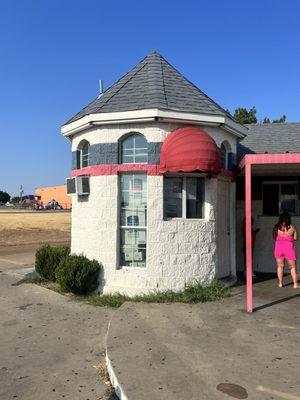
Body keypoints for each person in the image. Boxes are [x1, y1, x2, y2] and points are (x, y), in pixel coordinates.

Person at [273, 212, 300, 288]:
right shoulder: (292, 227)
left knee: (280, 266)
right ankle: (295, 284)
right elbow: (295, 238)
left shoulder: (276, 227)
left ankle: (280, 283)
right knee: (292, 267)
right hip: (289, 248)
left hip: (279, 247)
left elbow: (274, 237)